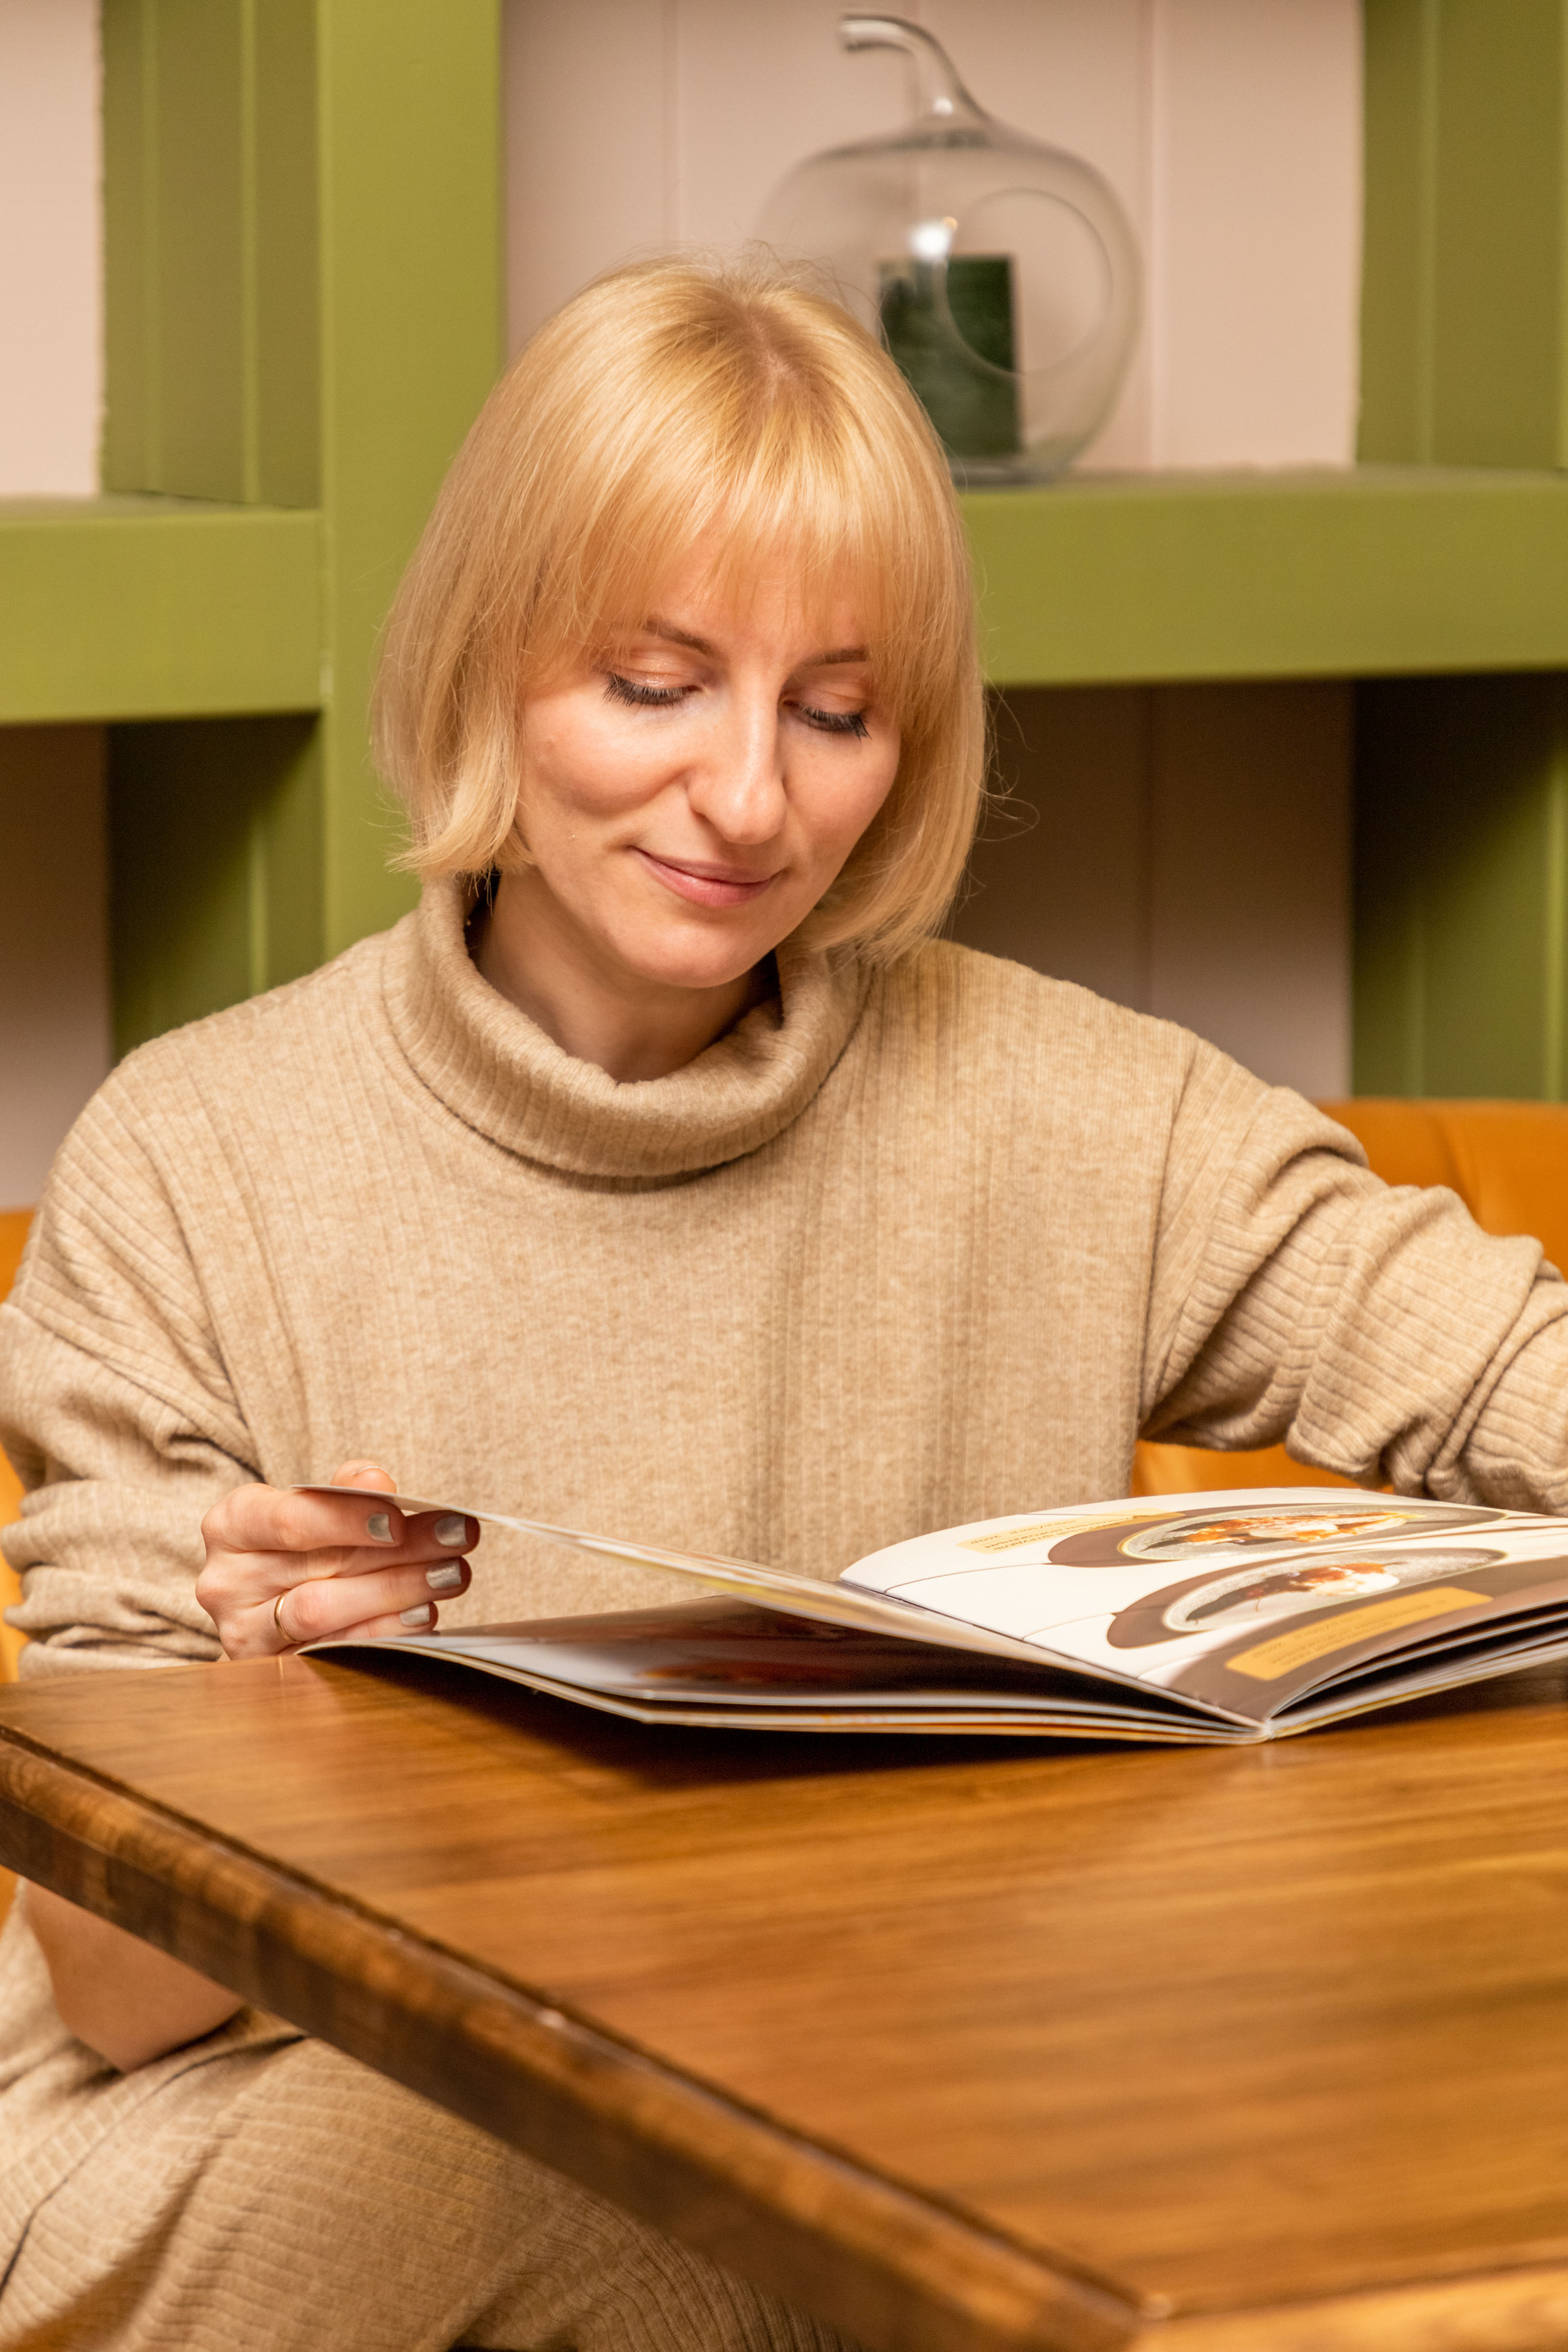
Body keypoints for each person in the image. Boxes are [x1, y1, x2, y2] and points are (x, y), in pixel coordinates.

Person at [1, 253, 1567, 2350]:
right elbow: (116, 1991)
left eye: (835, 712)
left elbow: (1502, 1365)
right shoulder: (196, 1161)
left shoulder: (1065, 1107)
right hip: (287, 2119)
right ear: (487, 670)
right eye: (655, 685)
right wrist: (277, 1717)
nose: (752, 800)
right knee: (601, 2170)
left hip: (887, 2092)